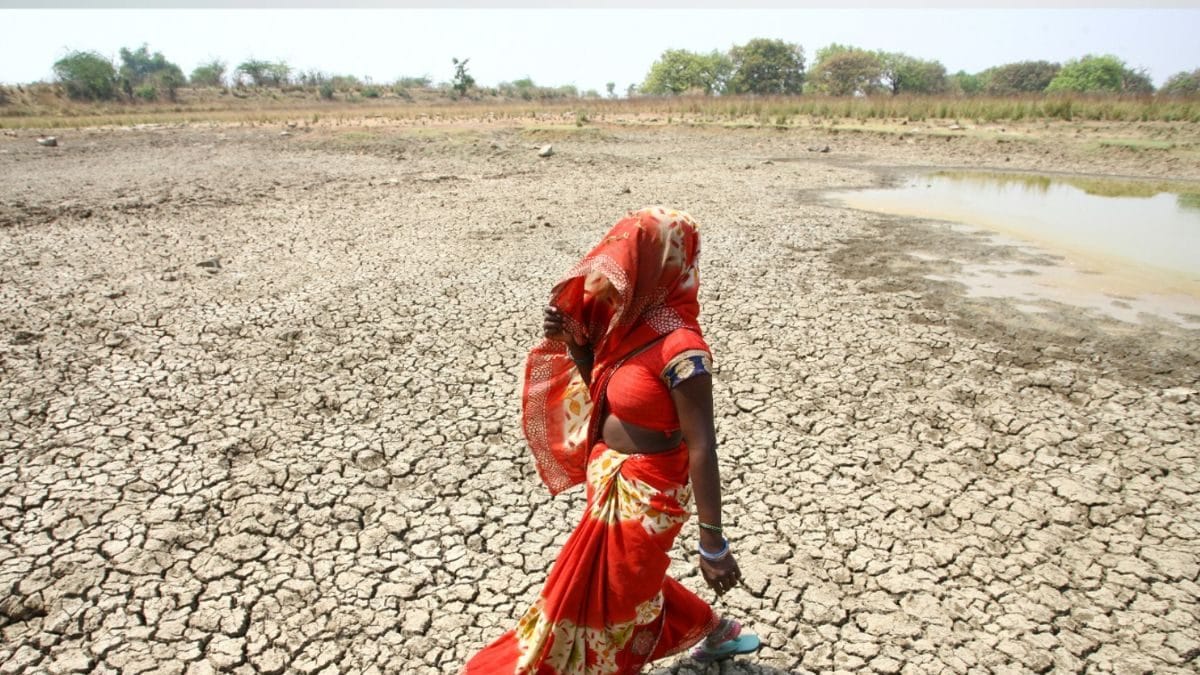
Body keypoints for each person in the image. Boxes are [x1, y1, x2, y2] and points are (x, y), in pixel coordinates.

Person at [464, 207, 757, 674]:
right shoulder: (626, 327)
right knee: (616, 583)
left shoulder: (683, 349)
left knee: (618, 599)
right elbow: (603, 394)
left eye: (631, 259)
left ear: (660, 266)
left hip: (650, 490)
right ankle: (719, 631)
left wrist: (713, 544)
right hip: (609, 478)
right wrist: (576, 342)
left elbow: (703, 447)